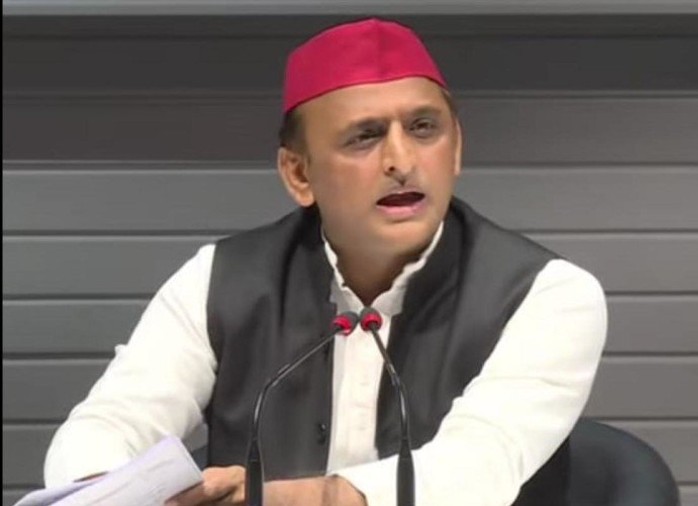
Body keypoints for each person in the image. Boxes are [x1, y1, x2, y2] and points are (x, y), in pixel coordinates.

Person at [44, 18, 607, 506]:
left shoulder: (549, 294)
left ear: (456, 147)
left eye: (423, 128)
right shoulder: (219, 280)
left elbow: (475, 467)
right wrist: (105, 491)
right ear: (299, 174)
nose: (402, 160)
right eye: (364, 137)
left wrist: (282, 500)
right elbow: (113, 420)